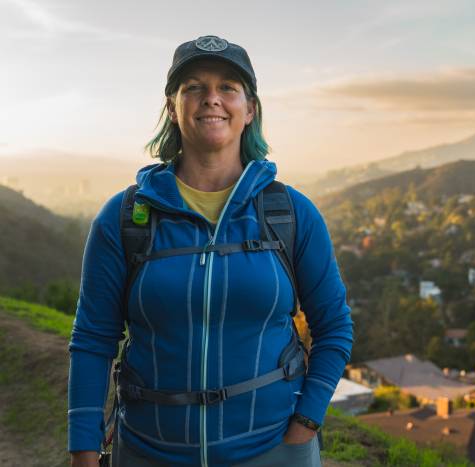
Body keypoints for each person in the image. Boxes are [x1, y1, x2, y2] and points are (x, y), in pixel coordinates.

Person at [68, 35, 354, 467]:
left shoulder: (290, 213)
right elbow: (93, 338)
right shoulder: (123, 217)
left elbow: (334, 326)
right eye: (194, 87)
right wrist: (84, 450)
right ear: (172, 106)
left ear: (250, 109)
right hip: (149, 452)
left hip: (274, 450)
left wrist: (306, 424)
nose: (211, 99)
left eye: (228, 88)